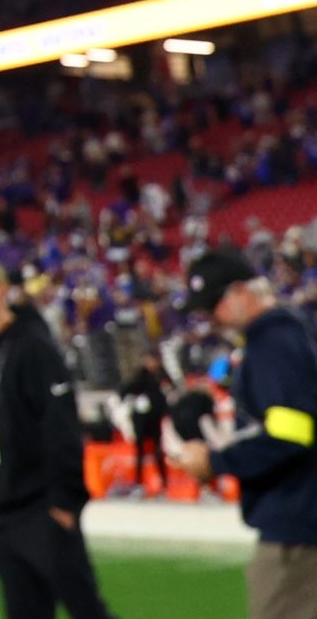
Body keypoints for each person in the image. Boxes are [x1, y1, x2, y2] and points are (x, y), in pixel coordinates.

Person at [0, 251, 119, 619]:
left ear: (1, 290)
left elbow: (62, 427)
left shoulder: (34, 346)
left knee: (86, 609)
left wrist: (65, 502)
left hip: (42, 506)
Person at [175, 249, 317, 619]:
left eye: (213, 304)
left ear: (240, 292)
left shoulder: (273, 346)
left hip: (297, 528)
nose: (209, 318)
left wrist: (215, 462)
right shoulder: (289, 334)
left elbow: (291, 435)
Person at [120, 353, 171, 495]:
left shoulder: (162, 376)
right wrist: (135, 401)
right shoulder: (140, 376)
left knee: (158, 451)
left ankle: (164, 482)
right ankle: (138, 482)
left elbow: (169, 392)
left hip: (155, 418)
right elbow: (125, 391)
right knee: (140, 451)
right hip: (141, 420)